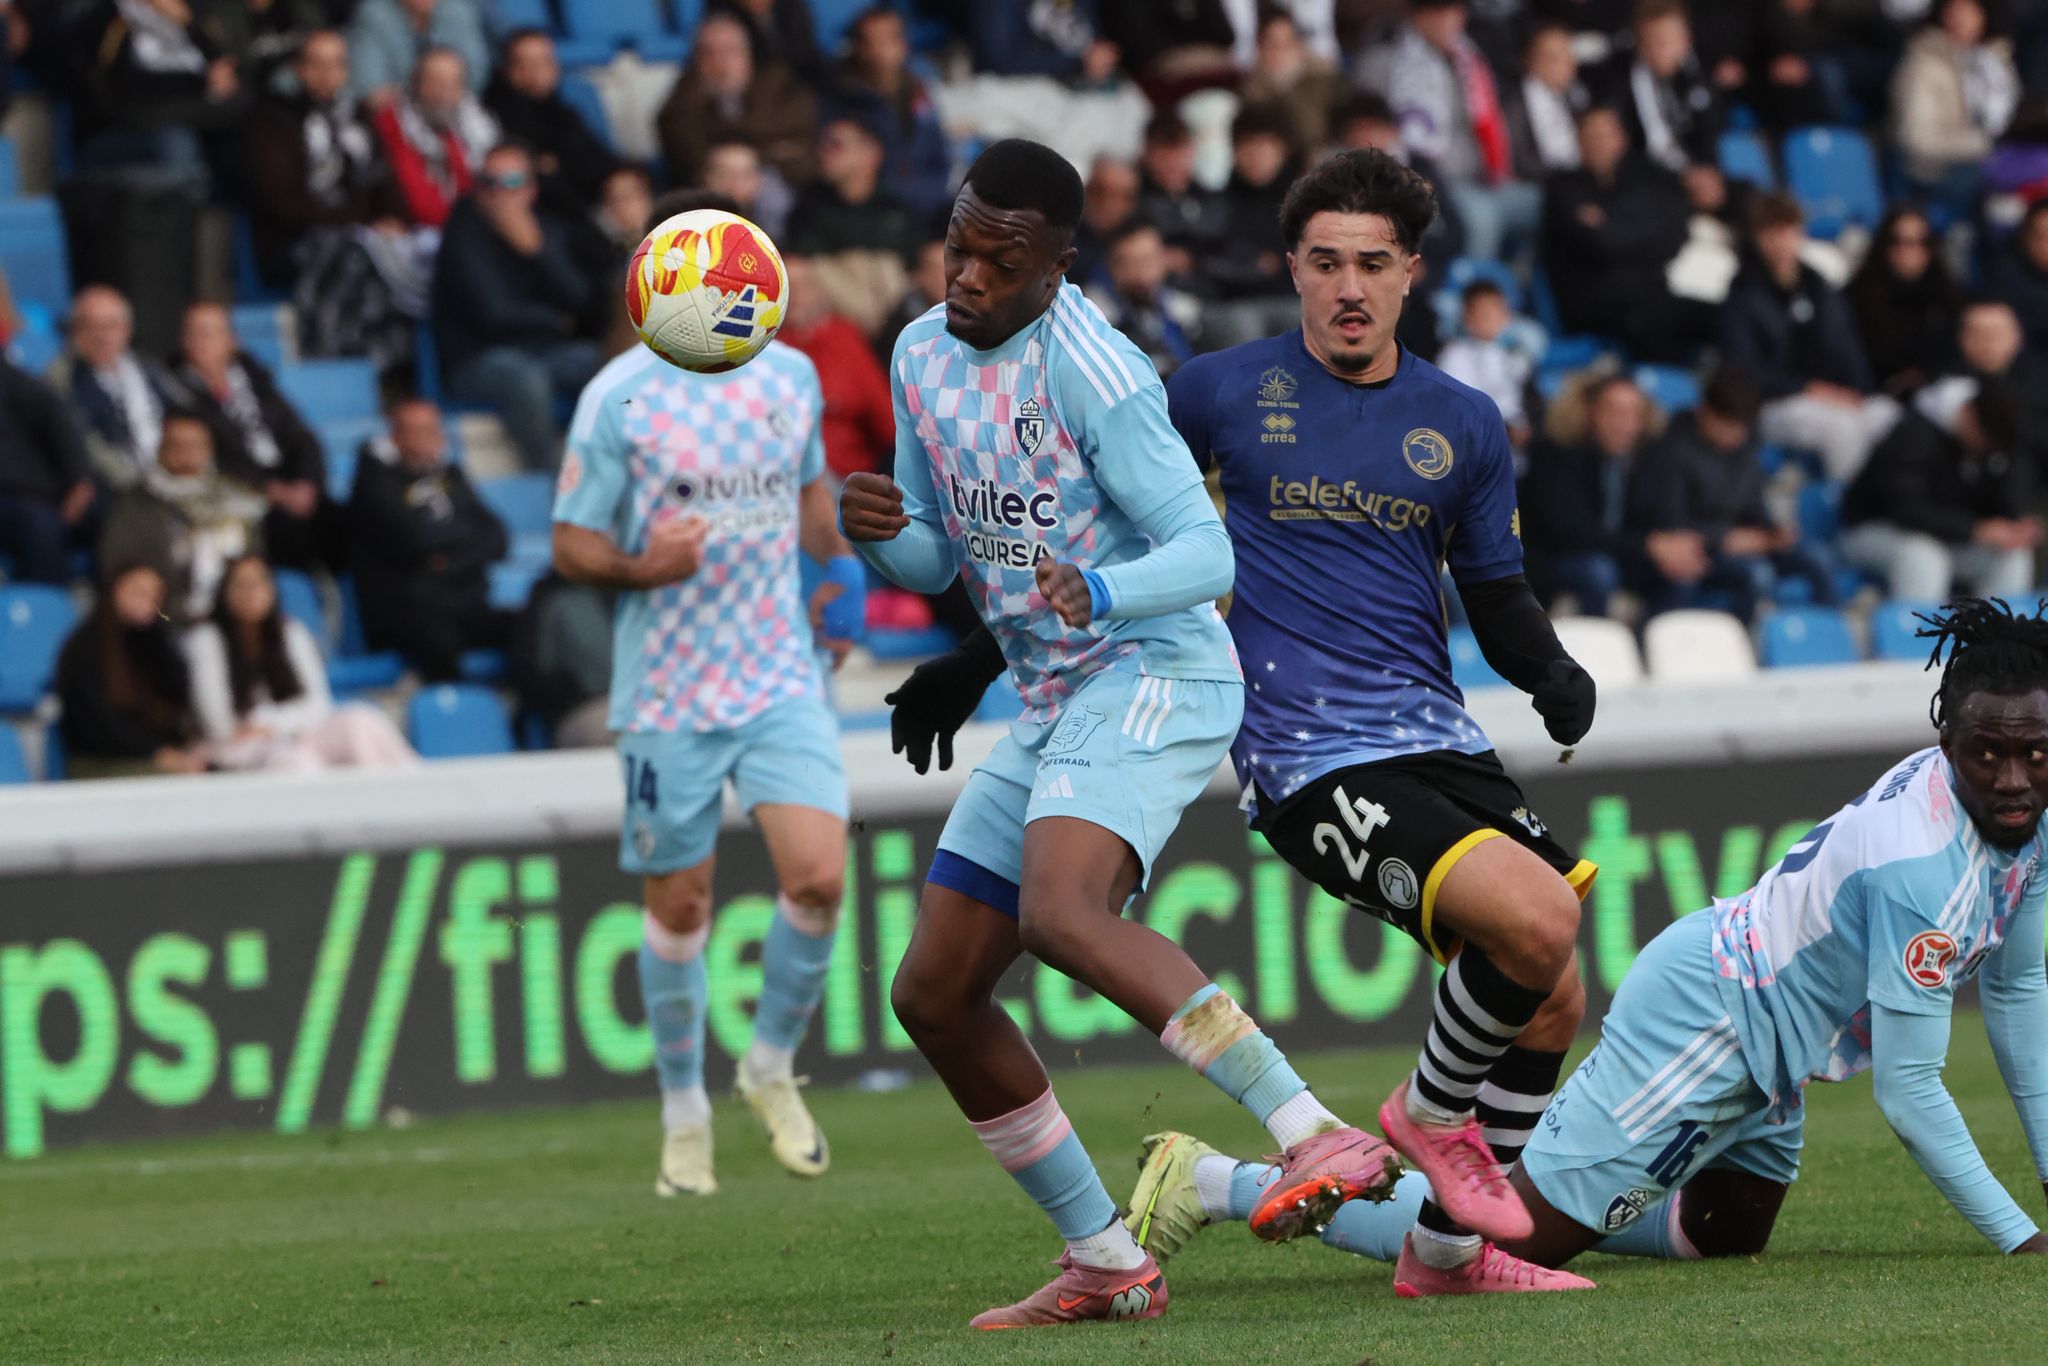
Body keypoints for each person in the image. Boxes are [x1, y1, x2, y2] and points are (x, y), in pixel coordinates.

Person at [843, 139, 1390, 1328]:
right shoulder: (919, 353)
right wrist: (876, 534)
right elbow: (939, 551)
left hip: (1157, 667)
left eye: (1000, 260)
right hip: (1055, 696)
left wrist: (1104, 585)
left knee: (1061, 913)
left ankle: (1314, 1133)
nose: (968, 278)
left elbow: (1205, 554)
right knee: (933, 992)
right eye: (957, 248)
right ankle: (1104, 1255)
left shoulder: (1096, 369)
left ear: (1056, 267)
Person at [1135, 603, 2048, 1271]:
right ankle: (1214, 1179)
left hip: (1776, 1045)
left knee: (1722, 1233)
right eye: (1987, 754)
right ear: (1946, 736)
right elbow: (1912, 1085)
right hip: (1715, 1021)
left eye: (2034, 752)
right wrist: (2021, 1236)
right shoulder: (1922, 866)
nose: (2012, 777)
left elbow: (2015, 992)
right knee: (1506, 1241)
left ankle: (1566, 1175)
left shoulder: (2023, 825)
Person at [1156, 147, 1600, 1295]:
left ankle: (1448, 1256)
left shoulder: (1461, 419)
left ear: (1410, 273)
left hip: (1436, 739)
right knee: (1539, 918)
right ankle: (1423, 1111)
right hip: (1305, 757)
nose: (1347, 287)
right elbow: (1121, 517)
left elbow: (1494, 593)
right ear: (1289, 271)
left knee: (1551, 992)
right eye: (1322, 263)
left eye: (1370, 263)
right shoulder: (1212, 391)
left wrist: (1550, 670)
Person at [553, 188, 865, 1201]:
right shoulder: (618, 398)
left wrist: (836, 575)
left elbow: (811, 491)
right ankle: (682, 1108)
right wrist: (645, 567)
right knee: (680, 902)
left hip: (779, 671)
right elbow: (570, 543)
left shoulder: (791, 375)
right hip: (669, 691)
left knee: (818, 878)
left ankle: (769, 1065)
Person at [432, 142, 601, 471]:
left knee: (602, 365)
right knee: (526, 379)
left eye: (510, 182)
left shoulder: (544, 229)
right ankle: (552, 476)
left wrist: (537, 253)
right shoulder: (462, 234)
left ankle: (614, 467)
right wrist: (556, 321)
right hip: (478, 357)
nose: (499, 193)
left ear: (531, 189)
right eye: (487, 182)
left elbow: (581, 302)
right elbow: (495, 315)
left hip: (543, 350)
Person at [1630, 365, 1835, 620]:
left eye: (1742, 426)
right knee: (1754, 574)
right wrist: (1724, 538)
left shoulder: (1746, 453)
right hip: (1702, 549)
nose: (1736, 435)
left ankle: (1825, 641)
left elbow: (1754, 507)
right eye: (1728, 425)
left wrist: (1774, 532)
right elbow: (1671, 526)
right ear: (1705, 412)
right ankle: (1741, 647)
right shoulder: (1670, 451)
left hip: (1742, 544)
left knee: (1817, 561)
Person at [1722, 192, 1897, 483]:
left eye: (1788, 231)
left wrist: (1858, 392)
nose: (1781, 243)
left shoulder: (1818, 286)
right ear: (1757, 238)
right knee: (1840, 428)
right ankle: (1852, 513)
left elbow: (1846, 344)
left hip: (1828, 396)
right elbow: (1744, 371)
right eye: (1771, 233)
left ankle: (1895, 509)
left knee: (1886, 415)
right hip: (1773, 405)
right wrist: (1807, 388)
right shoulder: (1741, 295)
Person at [183, 555, 417, 772]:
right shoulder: (207, 640)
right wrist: (264, 729)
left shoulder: (291, 633)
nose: (250, 592)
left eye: (258, 583)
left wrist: (270, 723)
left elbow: (318, 705)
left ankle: (412, 797)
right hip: (239, 748)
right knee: (298, 762)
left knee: (360, 720)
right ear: (224, 593)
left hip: (295, 733)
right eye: (241, 584)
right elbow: (221, 724)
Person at [162, 303, 340, 573]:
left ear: (231, 341)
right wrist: (271, 490)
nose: (202, 342)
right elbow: (210, 461)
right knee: (288, 530)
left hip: (291, 484)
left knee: (352, 521)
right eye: (194, 334)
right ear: (184, 342)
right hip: (246, 498)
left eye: (210, 333)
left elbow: (300, 435)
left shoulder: (254, 378)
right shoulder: (177, 394)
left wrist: (308, 483)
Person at [1359, 0, 1540, 263]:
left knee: (1543, 206)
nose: (1452, 20)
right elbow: (1363, 121)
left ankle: (1507, 290)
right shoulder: (1387, 60)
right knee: (1482, 221)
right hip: (1430, 180)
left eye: (1457, 11)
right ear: (1419, 16)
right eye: (1442, 12)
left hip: (1483, 179)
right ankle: (1470, 297)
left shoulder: (1468, 57)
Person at [347, 398, 510, 679]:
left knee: (530, 622)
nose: (429, 440)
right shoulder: (373, 482)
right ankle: (453, 714)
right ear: (395, 435)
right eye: (417, 432)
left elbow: (498, 537)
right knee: (439, 638)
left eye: (433, 430)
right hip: (408, 612)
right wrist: (465, 543)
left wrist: (449, 562)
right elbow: (414, 540)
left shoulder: (451, 475)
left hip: (463, 601)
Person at [1840, 379, 2038, 603]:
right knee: (1924, 557)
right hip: (1872, 529)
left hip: (1946, 536)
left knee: (2012, 555)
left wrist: (2012, 524)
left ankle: (1997, 636)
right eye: (1985, 441)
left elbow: (2001, 500)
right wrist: (1975, 529)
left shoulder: (1992, 446)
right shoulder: (1914, 433)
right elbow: (1906, 509)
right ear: (1969, 414)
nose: (1986, 449)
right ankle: (1920, 636)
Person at [243, 28, 405, 291]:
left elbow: (383, 176)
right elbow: (284, 203)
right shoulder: (271, 121)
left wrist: (392, 219)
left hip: (360, 234)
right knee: (359, 261)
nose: (326, 74)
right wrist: (358, 226)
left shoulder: (358, 118)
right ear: (299, 69)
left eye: (335, 64)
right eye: (316, 64)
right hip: (294, 241)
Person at [1538, 105, 1700, 362]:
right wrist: (1632, 233)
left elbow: (1671, 237)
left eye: (1605, 135)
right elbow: (1599, 246)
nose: (1598, 144)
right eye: (1590, 136)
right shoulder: (1563, 188)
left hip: (1650, 291)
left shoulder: (1645, 182)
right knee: (1653, 317)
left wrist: (1611, 227)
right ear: (1579, 142)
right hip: (1592, 303)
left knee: (1711, 313)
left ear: (1621, 140)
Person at [99, 411, 267, 623]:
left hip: (234, 620)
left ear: (209, 449)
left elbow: (256, 560)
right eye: (177, 445)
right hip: (166, 621)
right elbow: (121, 570)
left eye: (196, 445)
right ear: (161, 450)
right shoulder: (137, 504)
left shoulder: (236, 499)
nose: (187, 454)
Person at [1519, 373, 1656, 618]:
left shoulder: (1644, 459)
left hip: (1614, 553)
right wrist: (1647, 545)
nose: (1623, 422)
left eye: (1633, 413)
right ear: (1591, 412)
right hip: (1549, 561)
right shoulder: (1554, 453)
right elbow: (1572, 533)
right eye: (1614, 411)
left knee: (1682, 568)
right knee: (1598, 572)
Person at [55, 561, 207, 779]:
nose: (146, 599)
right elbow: (98, 723)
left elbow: (179, 693)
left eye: (154, 595)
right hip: (100, 761)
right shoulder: (85, 647)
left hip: (153, 753)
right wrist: (155, 752)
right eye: (137, 590)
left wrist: (155, 631)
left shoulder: (151, 641)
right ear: (114, 590)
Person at [655, 12, 817, 188]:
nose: (720, 62)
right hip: (713, 194)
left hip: (785, 186)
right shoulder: (686, 95)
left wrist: (743, 155)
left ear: (748, 55)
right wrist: (763, 149)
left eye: (729, 50)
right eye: (708, 53)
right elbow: (684, 148)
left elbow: (800, 133)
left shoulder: (779, 84)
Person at [1891, 0, 2019, 217]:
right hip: (1936, 169)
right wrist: (1984, 144)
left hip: (1994, 157)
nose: (1959, 20)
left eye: (1969, 12)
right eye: (1952, 12)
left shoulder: (1996, 60)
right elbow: (1917, 138)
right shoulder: (1923, 64)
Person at [826, 6, 951, 222]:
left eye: (889, 40)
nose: (880, 51)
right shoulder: (841, 98)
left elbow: (938, 161)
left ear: (903, 44)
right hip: (867, 216)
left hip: (922, 210)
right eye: (871, 41)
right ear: (858, 47)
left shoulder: (919, 93)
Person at [775, 255, 893, 482]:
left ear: (820, 291)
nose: (796, 296)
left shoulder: (843, 337)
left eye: (804, 286)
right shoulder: (761, 347)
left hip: (843, 475)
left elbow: (886, 422)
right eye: (786, 287)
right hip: (782, 471)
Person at [482, 28, 620, 221]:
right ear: (509, 70)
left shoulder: (564, 112)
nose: (536, 72)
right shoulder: (495, 115)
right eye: (525, 64)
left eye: (544, 63)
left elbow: (599, 161)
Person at [49, 285, 171, 494]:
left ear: (127, 328)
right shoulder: (63, 380)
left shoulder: (150, 370)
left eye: (112, 326)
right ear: (76, 332)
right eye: (92, 327)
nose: (103, 336)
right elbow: (85, 444)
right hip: (118, 488)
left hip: (171, 474)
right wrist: (136, 483)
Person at [368, 45, 497, 231]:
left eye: (453, 83)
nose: (443, 92)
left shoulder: (475, 125)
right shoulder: (389, 125)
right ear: (415, 83)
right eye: (434, 81)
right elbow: (420, 206)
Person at [1599, 0, 1724, 177]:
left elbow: (1710, 136)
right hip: (1646, 177)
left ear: (1685, 40)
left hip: (1701, 173)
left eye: (1664, 41)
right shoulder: (1621, 85)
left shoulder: (1702, 78)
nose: (1656, 50)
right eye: (1647, 41)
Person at [0, 353, 95, 584]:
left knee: (40, 526)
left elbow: (55, 415)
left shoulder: (9, 379)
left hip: (14, 494)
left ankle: (50, 613)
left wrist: (78, 476)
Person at [1848, 206, 1962, 398]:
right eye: (1896, 241)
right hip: (1877, 396)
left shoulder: (1948, 296)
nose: (1907, 250)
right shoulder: (1856, 298)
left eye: (1919, 242)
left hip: (1938, 387)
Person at [1084, 221, 1203, 381]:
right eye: (1131, 263)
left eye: (1148, 260)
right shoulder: (1095, 314)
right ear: (1112, 266)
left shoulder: (1183, 308)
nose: (1142, 272)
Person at [1435, 280, 1536, 449]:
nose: (1491, 317)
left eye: (1497, 310)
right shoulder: (1455, 355)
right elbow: (1460, 409)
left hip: (1515, 452)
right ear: (1467, 317)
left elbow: (1528, 401)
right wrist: (1506, 429)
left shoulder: (1515, 354)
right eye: (1483, 312)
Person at [345, 0, 487, 107]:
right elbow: (370, 90)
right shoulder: (374, 14)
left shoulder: (458, 11)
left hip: (454, 111)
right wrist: (433, 91)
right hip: (394, 117)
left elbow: (475, 78)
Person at [1504, 22, 1589, 178]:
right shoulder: (1514, 103)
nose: (1571, 63)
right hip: (1539, 183)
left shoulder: (1577, 95)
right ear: (1535, 62)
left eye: (1570, 55)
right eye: (1558, 58)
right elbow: (1518, 158)